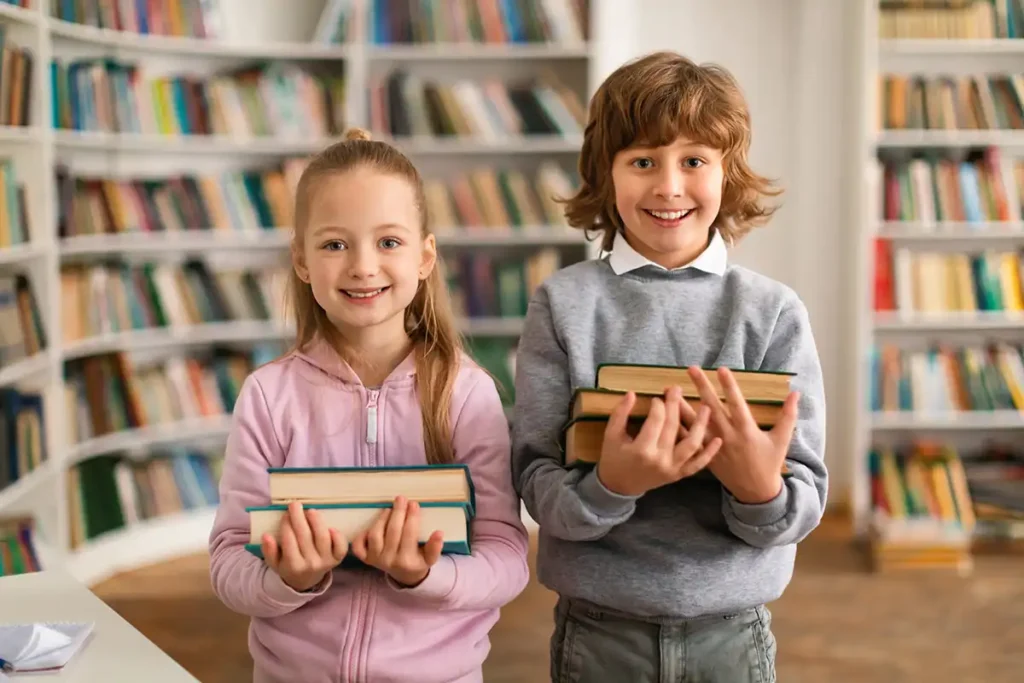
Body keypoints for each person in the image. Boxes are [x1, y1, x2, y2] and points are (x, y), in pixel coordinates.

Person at [512, 51, 828, 682]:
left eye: (694, 161)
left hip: (733, 631)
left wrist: (757, 487)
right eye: (642, 161)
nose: (668, 186)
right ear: (607, 173)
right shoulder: (564, 303)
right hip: (599, 628)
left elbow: (804, 500)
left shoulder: (772, 312)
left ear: (727, 174)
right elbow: (536, 484)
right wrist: (613, 484)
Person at [209, 128, 530, 683]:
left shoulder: (467, 393)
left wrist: (423, 575)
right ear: (302, 260)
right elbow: (229, 558)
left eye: (388, 242)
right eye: (335, 244)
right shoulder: (268, 395)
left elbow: (505, 558)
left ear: (425, 256)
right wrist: (290, 579)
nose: (362, 266)